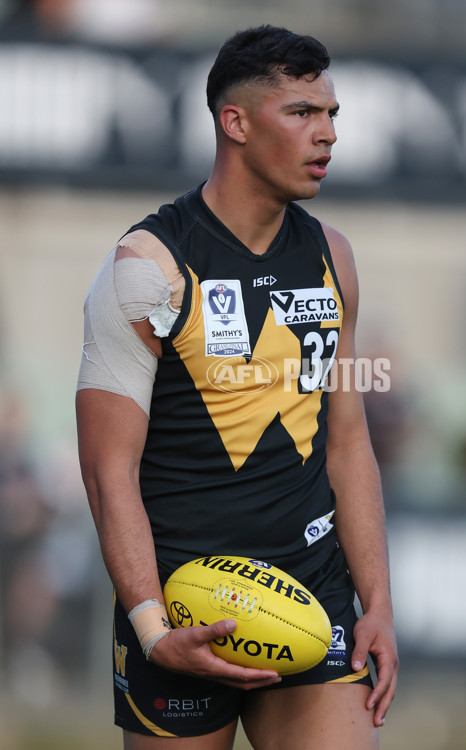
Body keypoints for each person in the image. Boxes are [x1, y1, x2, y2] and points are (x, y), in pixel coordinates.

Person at [76, 25, 398, 750]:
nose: (327, 135)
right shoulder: (147, 268)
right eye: (302, 113)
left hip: (311, 595)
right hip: (186, 610)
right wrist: (153, 632)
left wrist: (376, 604)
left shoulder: (331, 256)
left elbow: (348, 441)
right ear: (237, 123)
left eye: (332, 115)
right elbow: (107, 469)